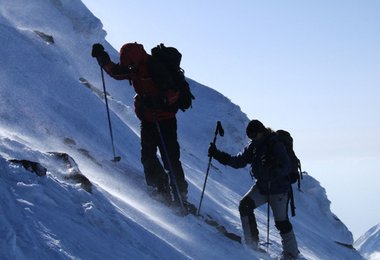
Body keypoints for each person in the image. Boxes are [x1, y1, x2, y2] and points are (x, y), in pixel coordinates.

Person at [91, 42, 188, 206]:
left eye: (131, 64)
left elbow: (173, 93)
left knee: (170, 158)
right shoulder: (133, 68)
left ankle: (181, 196)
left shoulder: (155, 67)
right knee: (147, 156)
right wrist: (102, 57)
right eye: (128, 65)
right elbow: (116, 72)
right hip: (148, 119)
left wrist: (157, 101)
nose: (130, 68)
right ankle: (161, 188)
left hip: (165, 119)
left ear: (136, 59)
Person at [208, 119, 299, 259]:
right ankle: (251, 243)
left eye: (253, 136)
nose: (252, 139)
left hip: (279, 189)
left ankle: (291, 254)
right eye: (250, 136)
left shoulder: (276, 144)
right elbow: (239, 161)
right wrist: (218, 155)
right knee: (245, 205)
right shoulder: (254, 147)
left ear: (262, 132)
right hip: (262, 187)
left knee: (281, 222)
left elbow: (286, 166)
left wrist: (274, 168)